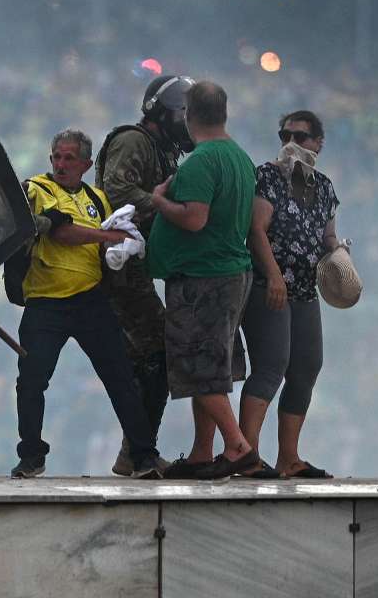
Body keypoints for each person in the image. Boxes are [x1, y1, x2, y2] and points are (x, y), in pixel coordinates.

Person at [10, 128, 162, 480]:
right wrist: (109, 237)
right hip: (45, 301)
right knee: (32, 380)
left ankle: (143, 455)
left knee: (120, 376)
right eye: (56, 157)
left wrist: (124, 247)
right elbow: (62, 233)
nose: (61, 164)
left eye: (68, 158)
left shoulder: (97, 198)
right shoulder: (38, 189)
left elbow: (110, 238)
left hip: (91, 299)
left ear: (85, 163)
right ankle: (31, 456)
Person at [147, 81, 258, 480]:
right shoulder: (240, 158)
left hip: (203, 277)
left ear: (188, 116)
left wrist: (159, 202)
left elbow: (194, 218)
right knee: (212, 364)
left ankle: (236, 446)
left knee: (197, 364)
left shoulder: (200, 161)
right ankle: (201, 453)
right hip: (231, 272)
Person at [95, 75, 195, 476]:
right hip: (121, 267)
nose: (188, 122)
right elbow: (116, 192)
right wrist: (160, 203)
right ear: (163, 111)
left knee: (151, 359)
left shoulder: (161, 149)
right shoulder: (134, 142)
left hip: (137, 266)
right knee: (156, 352)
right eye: (183, 113)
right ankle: (139, 453)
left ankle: (136, 451)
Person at [237, 110, 340, 479]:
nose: (291, 143)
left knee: (306, 367)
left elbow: (327, 236)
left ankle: (289, 458)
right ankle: (245, 454)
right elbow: (257, 229)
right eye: (285, 135)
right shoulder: (268, 177)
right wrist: (274, 275)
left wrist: (339, 254)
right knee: (270, 366)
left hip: (304, 289)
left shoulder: (324, 187)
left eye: (300, 136)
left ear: (318, 143)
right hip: (270, 286)